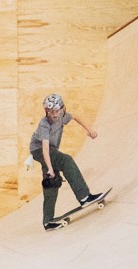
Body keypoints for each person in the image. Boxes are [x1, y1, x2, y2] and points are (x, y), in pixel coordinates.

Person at [29, 94, 107, 231]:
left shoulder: (63, 115)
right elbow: (45, 149)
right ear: (46, 111)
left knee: (52, 181)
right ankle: (84, 197)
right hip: (39, 150)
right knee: (66, 161)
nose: (53, 115)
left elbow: (76, 117)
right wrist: (50, 168)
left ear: (62, 109)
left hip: (49, 150)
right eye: (50, 112)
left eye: (56, 111)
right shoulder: (44, 124)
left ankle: (48, 221)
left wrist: (90, 130)